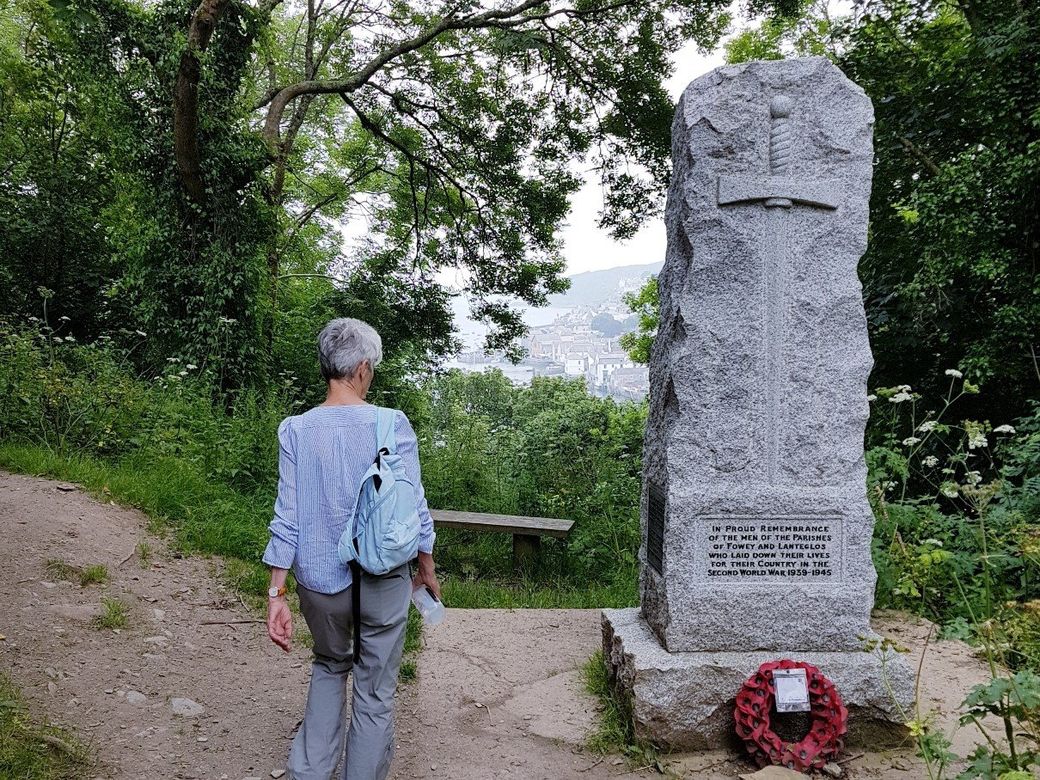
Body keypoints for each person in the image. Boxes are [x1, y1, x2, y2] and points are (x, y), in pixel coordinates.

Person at [262, 317, 440, 780]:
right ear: (362, 368)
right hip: (383, 580)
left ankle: (309, 774)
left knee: (328, 665)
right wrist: (426, 565)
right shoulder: (390, 423)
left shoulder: (295, 430)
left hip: (320, 585)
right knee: (375, 692)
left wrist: (276, 595)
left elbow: (288, 515)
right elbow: (413, 503)